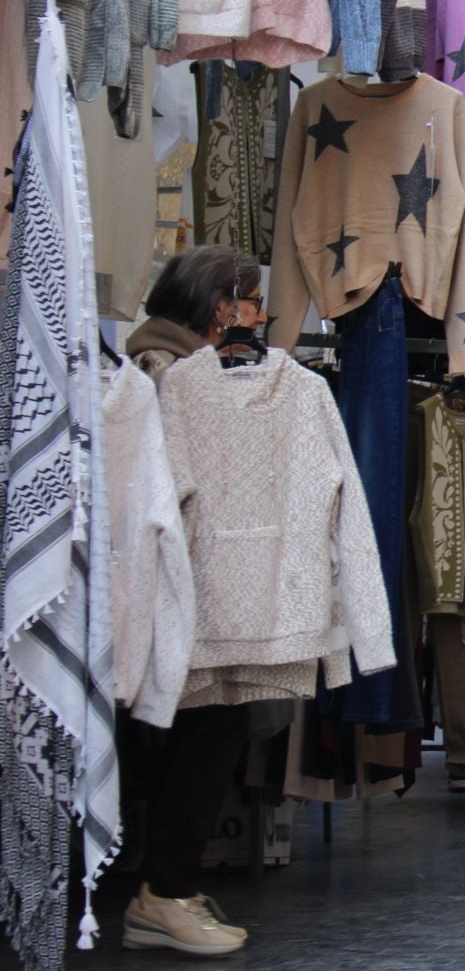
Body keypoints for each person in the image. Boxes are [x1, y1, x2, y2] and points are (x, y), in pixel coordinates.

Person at [121, 246, 266, 957]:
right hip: (171, 593)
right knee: (216, 721)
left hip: (152, 589)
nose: (261, 317)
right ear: (221, 309)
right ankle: (165, 894)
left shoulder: (152, 366)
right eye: (254, 301)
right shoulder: (174, 378)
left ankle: (159, 887)